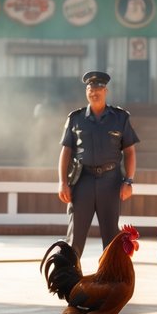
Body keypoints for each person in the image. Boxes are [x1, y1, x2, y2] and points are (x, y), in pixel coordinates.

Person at [57, 71, 139, 259]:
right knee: (75, 236)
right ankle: (70, 280)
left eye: (98, 88)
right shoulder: (75, 118)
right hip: (82, 181)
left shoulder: (120, 118)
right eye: (90, 89)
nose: (94, 92)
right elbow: (66, 152)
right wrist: (62, 182)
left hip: (110, 182)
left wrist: (129, 181)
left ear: (106, 90)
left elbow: (130, 152)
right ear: (87, 92)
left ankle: (110, 282)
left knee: (111, 237)